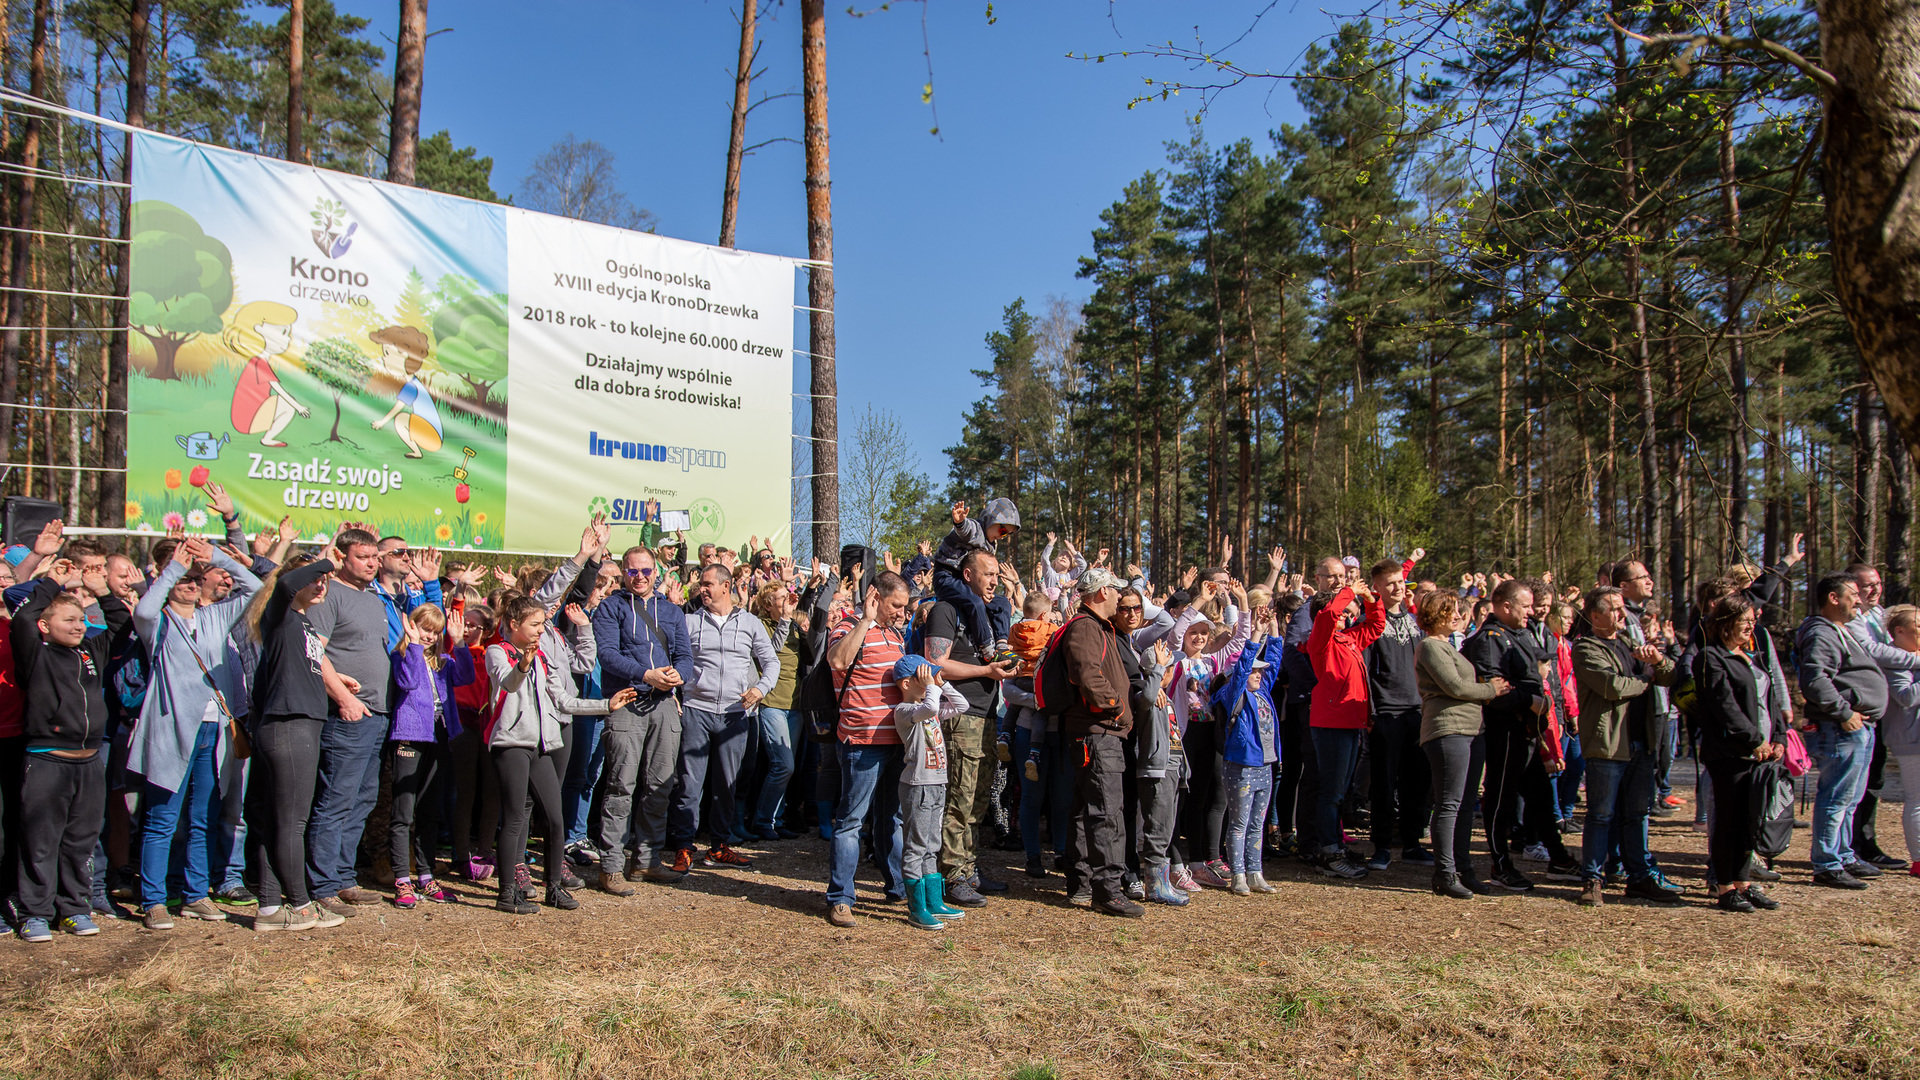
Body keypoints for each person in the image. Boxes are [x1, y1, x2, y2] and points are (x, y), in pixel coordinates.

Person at [127, 535, 261, 930]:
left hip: (213, 729)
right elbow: (146, 607)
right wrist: (172, 570)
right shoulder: (158, 623)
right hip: (170, 733)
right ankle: (153, 899)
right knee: (162, 819)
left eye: (194, 577)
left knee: (204, 814)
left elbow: (255, 589)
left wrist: (216, 557)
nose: (189, 582)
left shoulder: (214, 616)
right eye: (182, 578)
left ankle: (196, 894)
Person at [485, 596, 634, 914]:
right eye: (535, 625)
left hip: (542, 746)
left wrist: (607, 704)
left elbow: (565, 701)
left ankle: (553, 887)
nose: (542, 630)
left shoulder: (540, 658)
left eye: (543, 624)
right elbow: (508, 684)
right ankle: (507, 892)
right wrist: (523, 665)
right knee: (514, 820)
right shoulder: (497, 652)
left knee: (554, 820)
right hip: (510, 745)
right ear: (514, 625)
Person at [10, 560, 132, 941]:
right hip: (48, 760)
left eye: (80, 620)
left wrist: (101, 591)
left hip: (89, 761)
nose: (78, 627)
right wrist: (51, 582)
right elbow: (24, 617)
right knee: (41, 841)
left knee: (81, 841)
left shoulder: (89, 653)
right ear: (45, 627)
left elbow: (121, 625)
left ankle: (75, 908)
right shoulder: (35, 653)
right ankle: (35, 913)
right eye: (68, 621)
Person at [243, 553, 346, 932]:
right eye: (315, 579)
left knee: (277, 822)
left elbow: (297, 670)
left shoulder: (299, 622)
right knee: (292, 823)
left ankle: (270, 909)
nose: (321, 584)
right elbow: (286, 584)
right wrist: (325, 561)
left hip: (298, 725)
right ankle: (302, 906)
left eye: (326, 582)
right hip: (289, 727)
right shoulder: (281, 612)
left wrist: (340, 680)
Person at [590, 544, 694, 892]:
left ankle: (646, 861)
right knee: (621, 786)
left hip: (664, 704)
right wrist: (645, 674)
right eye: (633, 571)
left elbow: (685, 655)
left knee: (660, 786)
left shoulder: (672, 611)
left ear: (656, 573)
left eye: (646, 571)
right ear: (623, 572)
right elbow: (606, 654)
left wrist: (679, 675)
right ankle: (611, 866)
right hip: (628, 700)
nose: (639, 577)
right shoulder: (610, 607)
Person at [305, 528, 397, 917]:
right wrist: (343, 698)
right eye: (364, 557)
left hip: (378, 714)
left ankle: (344, 875)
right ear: (342, 558)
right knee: (336, 799)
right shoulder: (330, 595)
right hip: (347, 714)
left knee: (362, 799)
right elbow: (313, 651)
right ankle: (321, 883)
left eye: (376, 557)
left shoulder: (374, 600)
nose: (373, 563)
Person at [1571, 586, 1681, 906]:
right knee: (1601, 814)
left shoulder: (1629, 644)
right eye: (1615, 609)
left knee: (1637, 813)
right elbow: (1612, 686)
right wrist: (1646, 679)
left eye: (1622, 608)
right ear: (1595, 615)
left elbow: (1670, 676)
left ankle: (1640, 877)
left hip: (1640, 740)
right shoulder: (1586, 648)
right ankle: (1592, 879)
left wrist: (1658, 660)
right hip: (1608, 743)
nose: (1622, 614)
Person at [667, 562, 780, 872]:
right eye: (701, 584)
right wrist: (677, 696)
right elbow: (674, 659)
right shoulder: (689, 622)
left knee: (726, 784)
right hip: (696, 711)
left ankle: (718, 847)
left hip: (734, 715)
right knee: (690, 783)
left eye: (707, 584)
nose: (701, 589)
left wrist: (760, 689)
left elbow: (770, 662)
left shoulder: (751, 623)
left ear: (726, 587)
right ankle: (684, 846)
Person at [922, 550, 1016, 908]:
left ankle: (969, 868)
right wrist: (986, 672)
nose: (994, 580)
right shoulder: (947, 610)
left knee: (977, 798)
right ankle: (952, 875)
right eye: (988, 574)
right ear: (967, 575)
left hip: (987, 716)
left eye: (997, 574)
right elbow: (935, 664)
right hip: (959, 718)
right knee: (959, 799)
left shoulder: (988, 616)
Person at [822, 571, 912, 927]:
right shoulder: (848, 626)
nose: (902, 613)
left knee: (892, 819)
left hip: (895, 743)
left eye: (905, 607)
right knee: (851, 821)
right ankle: (841, 898)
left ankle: (898, 887)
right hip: (862, 742)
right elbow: (838, 661)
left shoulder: (895, 635)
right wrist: (866, 621)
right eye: (896, 605)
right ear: (876, 596)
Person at [1795, 572, 1890, 889]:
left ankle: (1844, 854)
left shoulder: (1841, 630)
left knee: (1850, 799)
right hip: (1841, 728)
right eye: (1853, 593)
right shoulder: (1822, 632)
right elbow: (1815, 679)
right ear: (1833, 598)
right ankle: (1826, 863)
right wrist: (1844, 711)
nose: (1859, 599)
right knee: (1836, 798)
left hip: (1859, 727)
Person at [1692, 594, 1786, 913]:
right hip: (1730, 753)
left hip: (1762, 753)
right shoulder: (1709, 658)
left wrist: (1780, 738)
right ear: (1725, 623)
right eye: (1744, 620)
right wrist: (1753, 739)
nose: (1751, 626)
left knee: (1750, 820)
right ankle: (1725, 887)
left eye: (1752, 621)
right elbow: (1724, 706)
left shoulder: (1752, 656)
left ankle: (1744, 882)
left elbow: (1770, 701)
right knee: (1729, 821)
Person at [1058, 568, 1143, 918]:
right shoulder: (1086, 627)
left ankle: (1081, 883)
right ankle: (1107, 890)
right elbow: (1086, 675)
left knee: (1085, 810)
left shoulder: (1096, 626)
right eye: (1114, 590)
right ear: (1099, 594)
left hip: (1097, 732)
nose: (1120, 597)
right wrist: (1118, 709)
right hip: (1098, 731)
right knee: (1107, 811)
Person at [1414, 591, 1506, 898]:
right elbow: (1453, 686)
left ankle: (1464, 870)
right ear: (1437, 615)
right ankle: (1445, 872)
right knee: (1450, 803)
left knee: (1465, 803)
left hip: (1470, 730)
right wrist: (1489, 689)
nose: (1458, 616)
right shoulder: (1429, 646)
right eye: (1451, 611)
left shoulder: (1450, 645)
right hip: (1448, 730)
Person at [385, 603, 474, 907]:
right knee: (403, 811)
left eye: (435, 633)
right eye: (425, 629)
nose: (429, 636)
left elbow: (465, 676)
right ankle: (401, 877)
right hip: (410, 736)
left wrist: (458, 641)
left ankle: (425, 874)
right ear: (412, 626)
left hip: (439, 736)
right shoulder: (401, 656)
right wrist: (410, 645)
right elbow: (407, 682)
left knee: (429, 809)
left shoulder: (443, 663)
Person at [1462, 579, 1547, 892]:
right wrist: (1528, 701)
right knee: (1500, 796)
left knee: (1537, 793)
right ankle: (1500, 862)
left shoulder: (1520, 633)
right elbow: (1494, 692)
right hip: (1502, 730)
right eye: (1526, 606)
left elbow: (1537, 672)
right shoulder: (1489, 640)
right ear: (1507, 606)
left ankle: (1559, 856)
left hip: (1526, 728)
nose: (1532, 611)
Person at [1303, 574, 1384, 879]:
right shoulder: (1320, 639)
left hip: (1352, 723)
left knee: (1341, 792)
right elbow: (1326, 614)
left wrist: (1371, 601)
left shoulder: (1348, 639)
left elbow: (1376, 626)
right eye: (1346, 612)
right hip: (1331, 724)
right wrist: (1349, 591)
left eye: (1352, 613)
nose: (1349, 617)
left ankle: (1335, 845)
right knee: (1331, 792)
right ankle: (1328, 852)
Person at [891, 656, 969, 930]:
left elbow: (962, 705)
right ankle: (917, 908)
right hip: (918, 785)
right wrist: (931, 688)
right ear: (906, 683)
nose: (929, 681)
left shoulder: (930, 706)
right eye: (922, 677)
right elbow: (931, 706)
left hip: (936, 783)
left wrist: (941, 682)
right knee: (916, 846)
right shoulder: (904, 710)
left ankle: (933, 901)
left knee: (932, 845)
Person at [1214, 610, 1287, 895]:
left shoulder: (1263, 691)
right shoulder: (1235, 696)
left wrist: (1274, 628)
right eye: (1254, 671)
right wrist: (1255, 635)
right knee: (1240, 823)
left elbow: (1276, 662)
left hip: (1265, 766)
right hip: (1241, 767)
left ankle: (1255, 872)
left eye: (1260, 671)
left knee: (1258, 822)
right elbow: (1244, 666)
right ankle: (1238, 875)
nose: (1258, 674)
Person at [1363, 558, 1429, 870]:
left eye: (1401, 582)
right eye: (1390, 583)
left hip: (1416, 711)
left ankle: (1413, 842)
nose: (1398, 588)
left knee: (1416, 780)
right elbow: (1364, 672)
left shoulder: (1416, 622)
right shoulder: (1371, 622)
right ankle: (1382, 846)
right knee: (1384, 783)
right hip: (1385, 713)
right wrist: (1372, 713)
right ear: (1376, 587)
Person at [747, 580, 806, 841]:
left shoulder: (794, 625)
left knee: (787, 768)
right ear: (768, 604)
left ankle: (776, 819)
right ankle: (762, 820)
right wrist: (784, 620)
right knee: (783, 765)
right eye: (782, 598)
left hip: (795, 704)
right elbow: (767, 655)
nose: (788, 601)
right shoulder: (761, 626)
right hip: (772, 703)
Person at [931, 498, 1021, 658]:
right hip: (947, 577)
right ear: (992, 521)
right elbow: (966, 529)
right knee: (975, 601)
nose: (1003, 536)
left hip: (967, 582)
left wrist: (985, 592)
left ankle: (1001, 643)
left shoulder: (991, 545)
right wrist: (960, 522)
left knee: (1002, 603)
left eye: (1007, 534)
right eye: (1002, 531)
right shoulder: (977, 529)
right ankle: (987, 647)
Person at [224, 300, 311, 447]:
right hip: (248, 419)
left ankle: (267, 437)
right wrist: (298, 407)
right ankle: (267, 438)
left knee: (285, 401)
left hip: (252, 415)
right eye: (284, 332)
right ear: (259, 329)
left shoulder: (258, 361)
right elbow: (277, 389)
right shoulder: (259, 363)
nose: (288, 338)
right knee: (287, 404)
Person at [1881, 605, 1920, 877]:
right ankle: (1918, 859)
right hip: (1910, 739)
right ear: (1900, 631)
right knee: (1917, 799)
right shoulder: (1896, 659)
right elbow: (1905, 696)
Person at [369, 325, 443, 458]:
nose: (384, 359)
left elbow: (399, 406)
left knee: (400, 419)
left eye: (387, 353)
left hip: (432, 436)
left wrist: (382, 422)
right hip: (429, 432)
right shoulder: (413, 382)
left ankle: (417, 452)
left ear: (404, 355)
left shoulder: (412, 386)